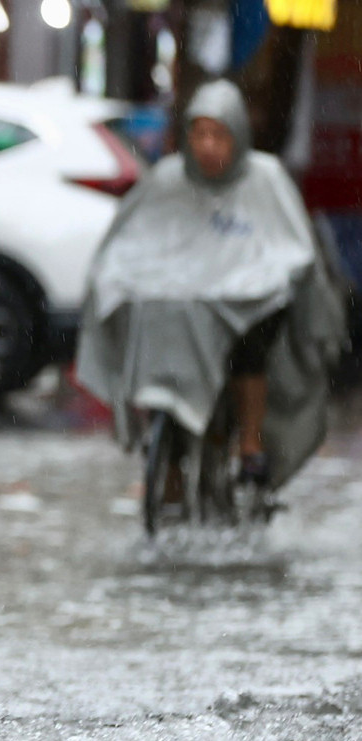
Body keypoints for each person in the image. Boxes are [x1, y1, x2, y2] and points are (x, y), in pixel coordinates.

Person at [76, 79, 346, 499]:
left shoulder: (266, 179)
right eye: (198, 134)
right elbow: (128, 247)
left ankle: (250, 441)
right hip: (179, 313)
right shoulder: (167, 182)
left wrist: (262, 279)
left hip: (243, 315)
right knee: (151, 330)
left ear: (238, 135)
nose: (207, 146)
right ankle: (165, 451)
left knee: (251, 343)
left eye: (218, 134)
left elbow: (292, 249)